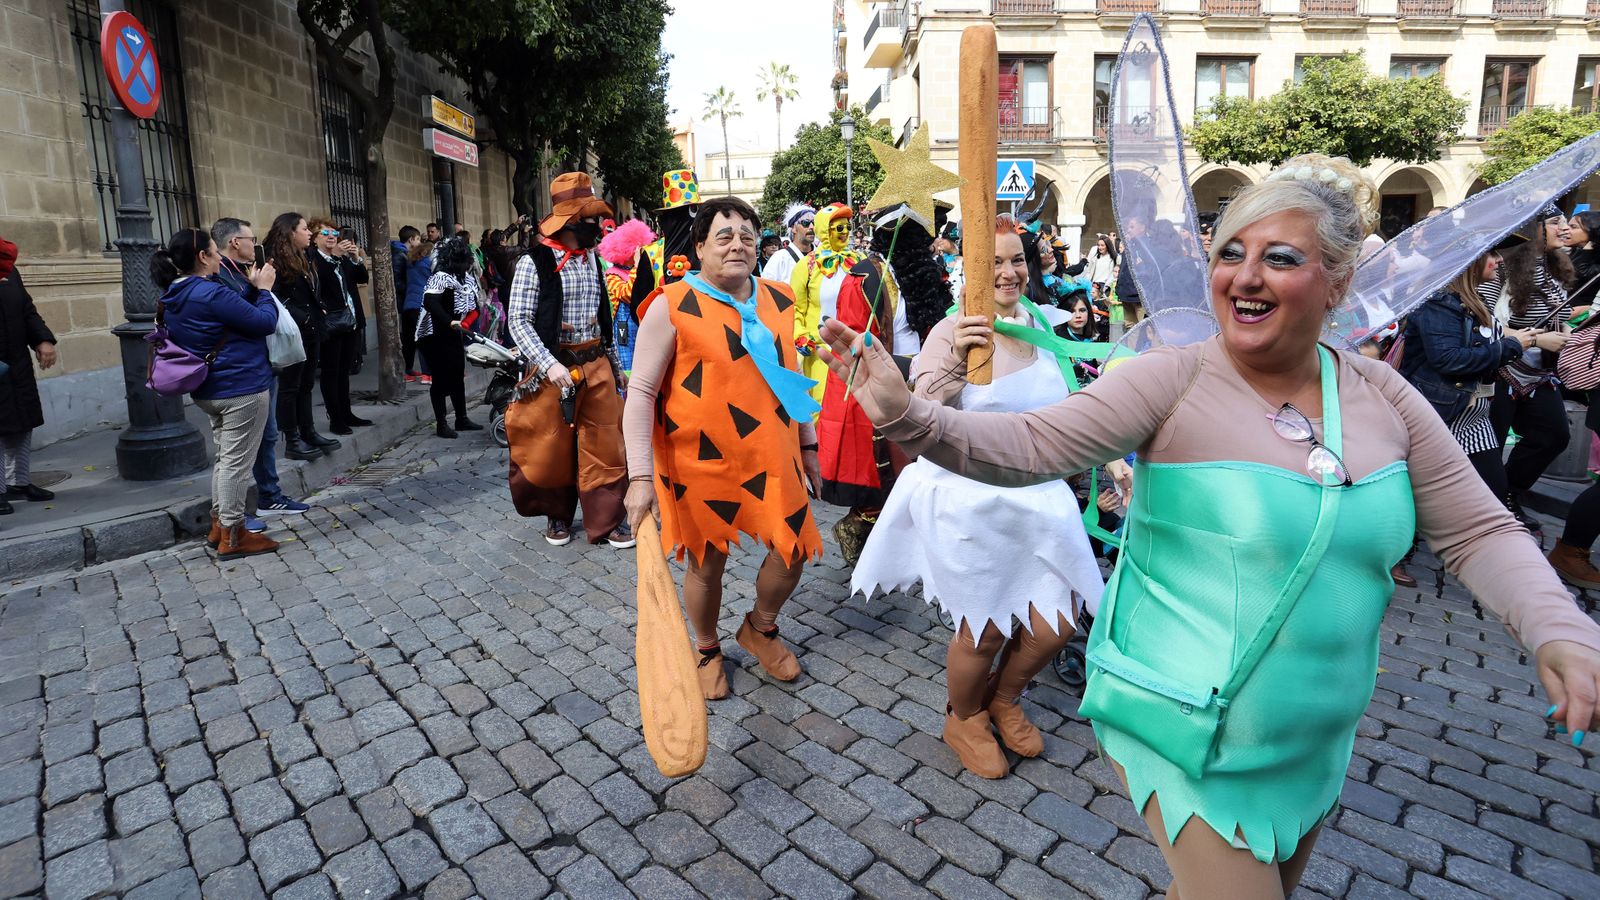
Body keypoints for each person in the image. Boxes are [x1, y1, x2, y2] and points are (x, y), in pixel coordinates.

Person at [817, 154, 1600, 896]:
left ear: (1338, 281)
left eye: (1281, 257)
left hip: (1314, 741)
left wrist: (1556, 629)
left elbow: (1478, 532)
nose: (1246, 277)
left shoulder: (1385, 398)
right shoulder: (1171, 377)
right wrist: (908, 415)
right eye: (1230, 253)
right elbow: (1027, 445)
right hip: (1184, 725)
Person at [852, 214, 1107, 779]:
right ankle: (963, 715)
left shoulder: (1041, 321)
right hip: (973, 500)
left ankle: (1004, 698)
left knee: (1055, 622)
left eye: (1016, 259)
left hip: (1040, 499)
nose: (1009, 272)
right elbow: (918, 415)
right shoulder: (952, 329)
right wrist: (951, 362)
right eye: (993, 262)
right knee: (985, 626)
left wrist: (1098, 474)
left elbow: (1070, 410)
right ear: (967, 267)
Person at [622, 196, 823, 699]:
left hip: (773, 453)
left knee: (792, 549)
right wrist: (640, 477)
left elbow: (790, 376)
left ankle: (760, 628)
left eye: (747, 236)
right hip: (699, 460)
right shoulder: (670, 305)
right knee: (706, 562)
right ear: (699, 247)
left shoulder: (778, 298)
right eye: (724, 236)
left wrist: (810, 445)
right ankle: (707, 647)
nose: (738, 245)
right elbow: (641, 392)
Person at [505, 172, 633, 549]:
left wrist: (613, 364)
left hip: (595, 363)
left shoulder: (592, 259)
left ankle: (608, 520)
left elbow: (601, 316)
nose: (597, 225)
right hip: (553, 368)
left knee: (606, 442)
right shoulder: (535, 262)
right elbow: (518, 321)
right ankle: (557, 514)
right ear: (570, 221)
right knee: (551, 445)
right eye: (590, 217)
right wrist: (550, 364)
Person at [1397, 246, 1534, 586]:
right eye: (1492, 255)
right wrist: (1513, 345)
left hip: (1472, 415)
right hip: (1438, 411)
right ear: (1470, 262)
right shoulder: (1437, 302)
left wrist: (1518, 341)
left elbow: (1478, 350)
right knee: (1413, 490)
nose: (1500, 261)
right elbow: (1451, 360)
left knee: (1493, 486)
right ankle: (1394, 555)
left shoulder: (1474, 301)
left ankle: (1490, 563)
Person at [151, 228, 281, 559]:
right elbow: (265, 322)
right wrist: (265, 290)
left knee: (225, 460)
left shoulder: (174, 294)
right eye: (214, 251)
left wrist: (251, 292)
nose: (220, 257)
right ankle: (233, 535)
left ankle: (219, 526)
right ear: (203, 257)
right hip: (241, 386)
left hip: (209, 388)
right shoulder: (210, 293)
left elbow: (236, 320)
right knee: (236, 464)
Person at [817, 208, 908, 564]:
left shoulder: (918, 274)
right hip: (875, 377)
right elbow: (855, 338)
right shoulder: (862, 277)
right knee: (879, 469)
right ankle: (861, 529)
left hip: (919, 381)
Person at [1482, 205, 1576, 537]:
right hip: (1501, 370)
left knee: (1554, 434)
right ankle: (1486, 509)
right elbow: (1482, 320)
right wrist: (1536, 339)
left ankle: (1510, 493)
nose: (1564, 228)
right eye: (1555, 222)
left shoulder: (1556, 266)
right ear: (1533, 227)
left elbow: (1554, 313)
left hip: (1539, 375)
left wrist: (1564, 332)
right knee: (1488, 445)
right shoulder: (1503, 266)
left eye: (1565, 222)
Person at [211, 217, 311, 524]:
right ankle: (233, 518)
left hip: (258, 366)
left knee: (266, 436)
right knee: (235, 455)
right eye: (250, 239)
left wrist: (256, 287)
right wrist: (263, 290)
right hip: (238, 375)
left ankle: (269, 495)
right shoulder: (219, 280)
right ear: (234, 243)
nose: (255, 244)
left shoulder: (238, 274)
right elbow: (258, 319)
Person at [263, 213, 338, 461]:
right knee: (290, 386)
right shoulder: (275, 260)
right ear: (290, 232)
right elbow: (275, 297)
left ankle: (308, 431)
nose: (309, 233)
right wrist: (302, 317)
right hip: (293, 330)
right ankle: (292, 440)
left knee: (306, 385)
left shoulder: (305, 256)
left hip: (311, 329)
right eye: (305, 229)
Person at [0, 237, 57, 516]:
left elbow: (26, 308)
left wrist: (43, 340)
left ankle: (18, 482)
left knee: (23, 421)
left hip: (16, 360)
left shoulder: (8, 267)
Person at [308, 218, 372, 436]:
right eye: (324, 233)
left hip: (351, 321)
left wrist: (355, 257)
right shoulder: (313, 259)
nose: (331, 237)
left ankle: (347, 413)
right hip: (331, 324)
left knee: (345, 371)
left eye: (334, 233)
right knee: (331, 371)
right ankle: (335, 418)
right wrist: (334, 255)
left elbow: (362, 278)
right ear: (314, 238)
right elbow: (321, 282)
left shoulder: (343, 258)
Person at [790, 203, 859, 401]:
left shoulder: (858, 261)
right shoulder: (807, 266)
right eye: (839, 227)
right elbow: (794, 308)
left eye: (848, 226)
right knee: (821, 411)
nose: (845, 232)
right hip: (820, 352)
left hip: (854, 351)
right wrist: (800, 335)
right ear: (824, 230)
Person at [417, 237, 483, 439]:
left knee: (457, 374)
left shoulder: (467, 279)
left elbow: (474, 307)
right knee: (440, 378)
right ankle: (441, 423)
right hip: (433, 334)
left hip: (453, 332)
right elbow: (430, 302)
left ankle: (461, 418)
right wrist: (449, 322)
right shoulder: (440, 277)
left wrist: (466, 322)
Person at [631, 170, 701, 319]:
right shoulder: (652, 254)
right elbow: (639, 307)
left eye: (694, 211)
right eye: (678, 215)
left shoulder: (709, 248)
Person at [598, 220, 656, 373]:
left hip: (641, 325)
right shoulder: (612, 275)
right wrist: (637, 267)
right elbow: (628, 294)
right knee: (629, 367)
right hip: (624, 330)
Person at [393, 225, 424, 380]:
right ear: (411, 239)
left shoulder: (405, 254)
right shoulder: (400, 255)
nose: (419, 242)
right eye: (418, 239)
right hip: (405, 300)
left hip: (408, 299)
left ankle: (408, 368)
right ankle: (405, 369)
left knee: (410, 337)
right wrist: (410, 289)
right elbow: (396, 280)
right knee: (409, 337)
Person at [761, 202, 816, 284]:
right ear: (793, 228)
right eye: (806, 223)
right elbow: (766, 289)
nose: (811, 227)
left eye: (814, 223)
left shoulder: (823, 255)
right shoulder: (780, 258)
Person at [405, 238, 435, 384]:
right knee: (427, 339)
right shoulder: (429, 265)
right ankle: (427, 374)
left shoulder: (411, 263)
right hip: (423, 305)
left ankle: (413, 371)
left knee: (415, 340)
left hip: (409, 305)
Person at [1567, 210, 1600, 308]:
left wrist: (1590, 244)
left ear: (1592, 230)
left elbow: (1581, 272)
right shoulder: (1576, 250)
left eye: (1573, 227)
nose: (1566, 229)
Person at [1086, 234, 1116, 304]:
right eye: (1098, 245)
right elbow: (1089, 271)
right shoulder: (1095, 258)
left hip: (1106, 287)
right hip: (1094, 286)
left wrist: (1106, 287)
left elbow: (1113, 273)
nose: (1100, 247)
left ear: (1107, 246)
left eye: (1102, 245)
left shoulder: (1113, 258)